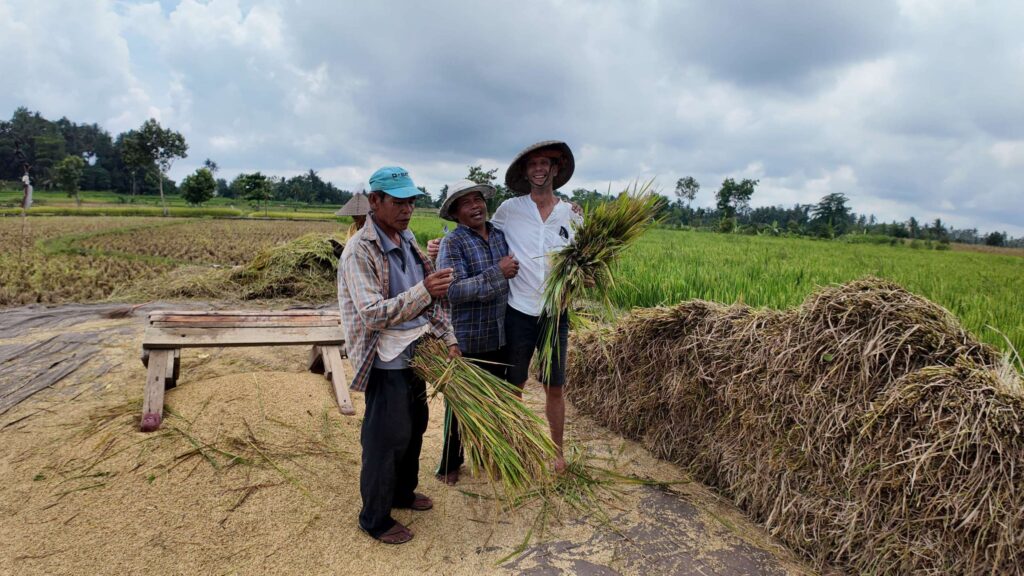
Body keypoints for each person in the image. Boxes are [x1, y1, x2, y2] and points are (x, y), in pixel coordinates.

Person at [429, 141, 581, 472]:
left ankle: (557, 454)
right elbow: (473, 231)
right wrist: (440, 245)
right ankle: (514, 449)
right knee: (513, 385)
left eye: (545, 163)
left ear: (555, 169)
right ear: (525, 173)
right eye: (533, 164)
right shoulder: (510, 210)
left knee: (555, 386)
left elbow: (583, 262)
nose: (539, 169)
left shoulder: (571, 214)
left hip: (556, 314)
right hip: (518, 312)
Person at [337, 166, 460, 545]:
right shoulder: (360, 251)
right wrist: (424, 290)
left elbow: (431, 299)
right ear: (374, 201)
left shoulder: (406, 238)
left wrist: (449, 337)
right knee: (386, 438)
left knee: (415, 426)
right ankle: (374, 518)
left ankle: (402, 492)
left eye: (411, 202)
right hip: (384, 357)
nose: (407, 210)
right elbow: (372, 314)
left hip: (417, 352)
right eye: (398, 202)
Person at [434, 180, 519, 485]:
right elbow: (453, 290)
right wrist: (498, 273)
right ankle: (450, 464)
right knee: (460, 406)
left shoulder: (499, 235)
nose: (475, 206)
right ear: (455, 213)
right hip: (467, 339)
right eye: (466, 203)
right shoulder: (453, 243)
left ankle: (487, 455)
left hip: (500, 334)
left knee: (494, 402)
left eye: (477, 199)